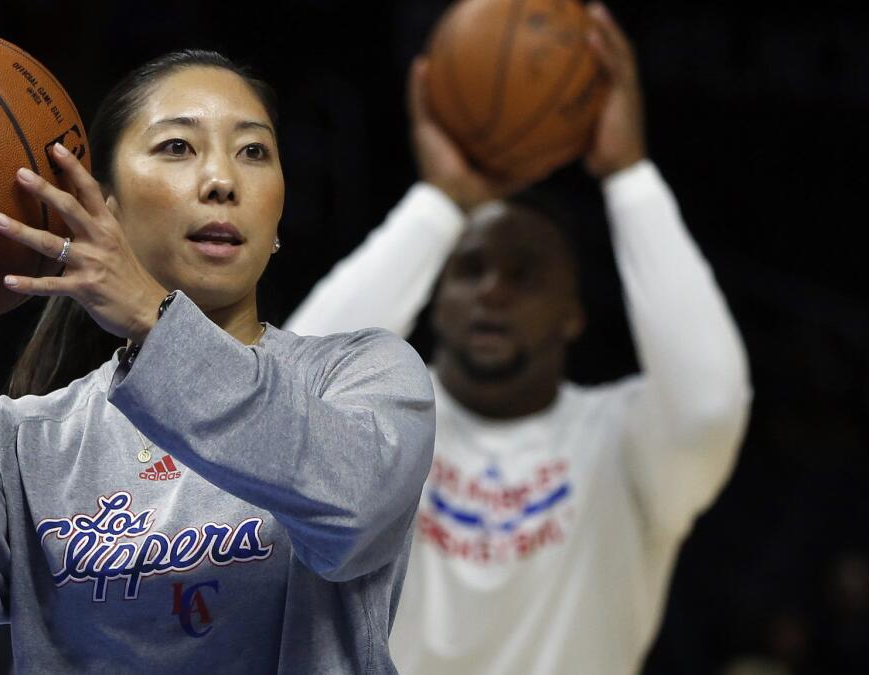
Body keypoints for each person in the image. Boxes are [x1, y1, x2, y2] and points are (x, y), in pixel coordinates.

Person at [0, 50, 436, 674]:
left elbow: (353, 512)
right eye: (178, 147)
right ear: (100, 204)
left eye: (254, 151)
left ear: (277, 216)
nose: (223, 181)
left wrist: (155, 323)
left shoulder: (362, 375)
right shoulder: (16, 442)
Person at [285, 4, 752, 674]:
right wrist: (440, 204)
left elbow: (710, 403)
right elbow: (286, 396)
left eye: (525, 273)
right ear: (434, 296)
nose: (494, 289)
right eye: (470, 268)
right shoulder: (378, 432)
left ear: (573, 312)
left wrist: (629, 176)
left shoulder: (624, 442)